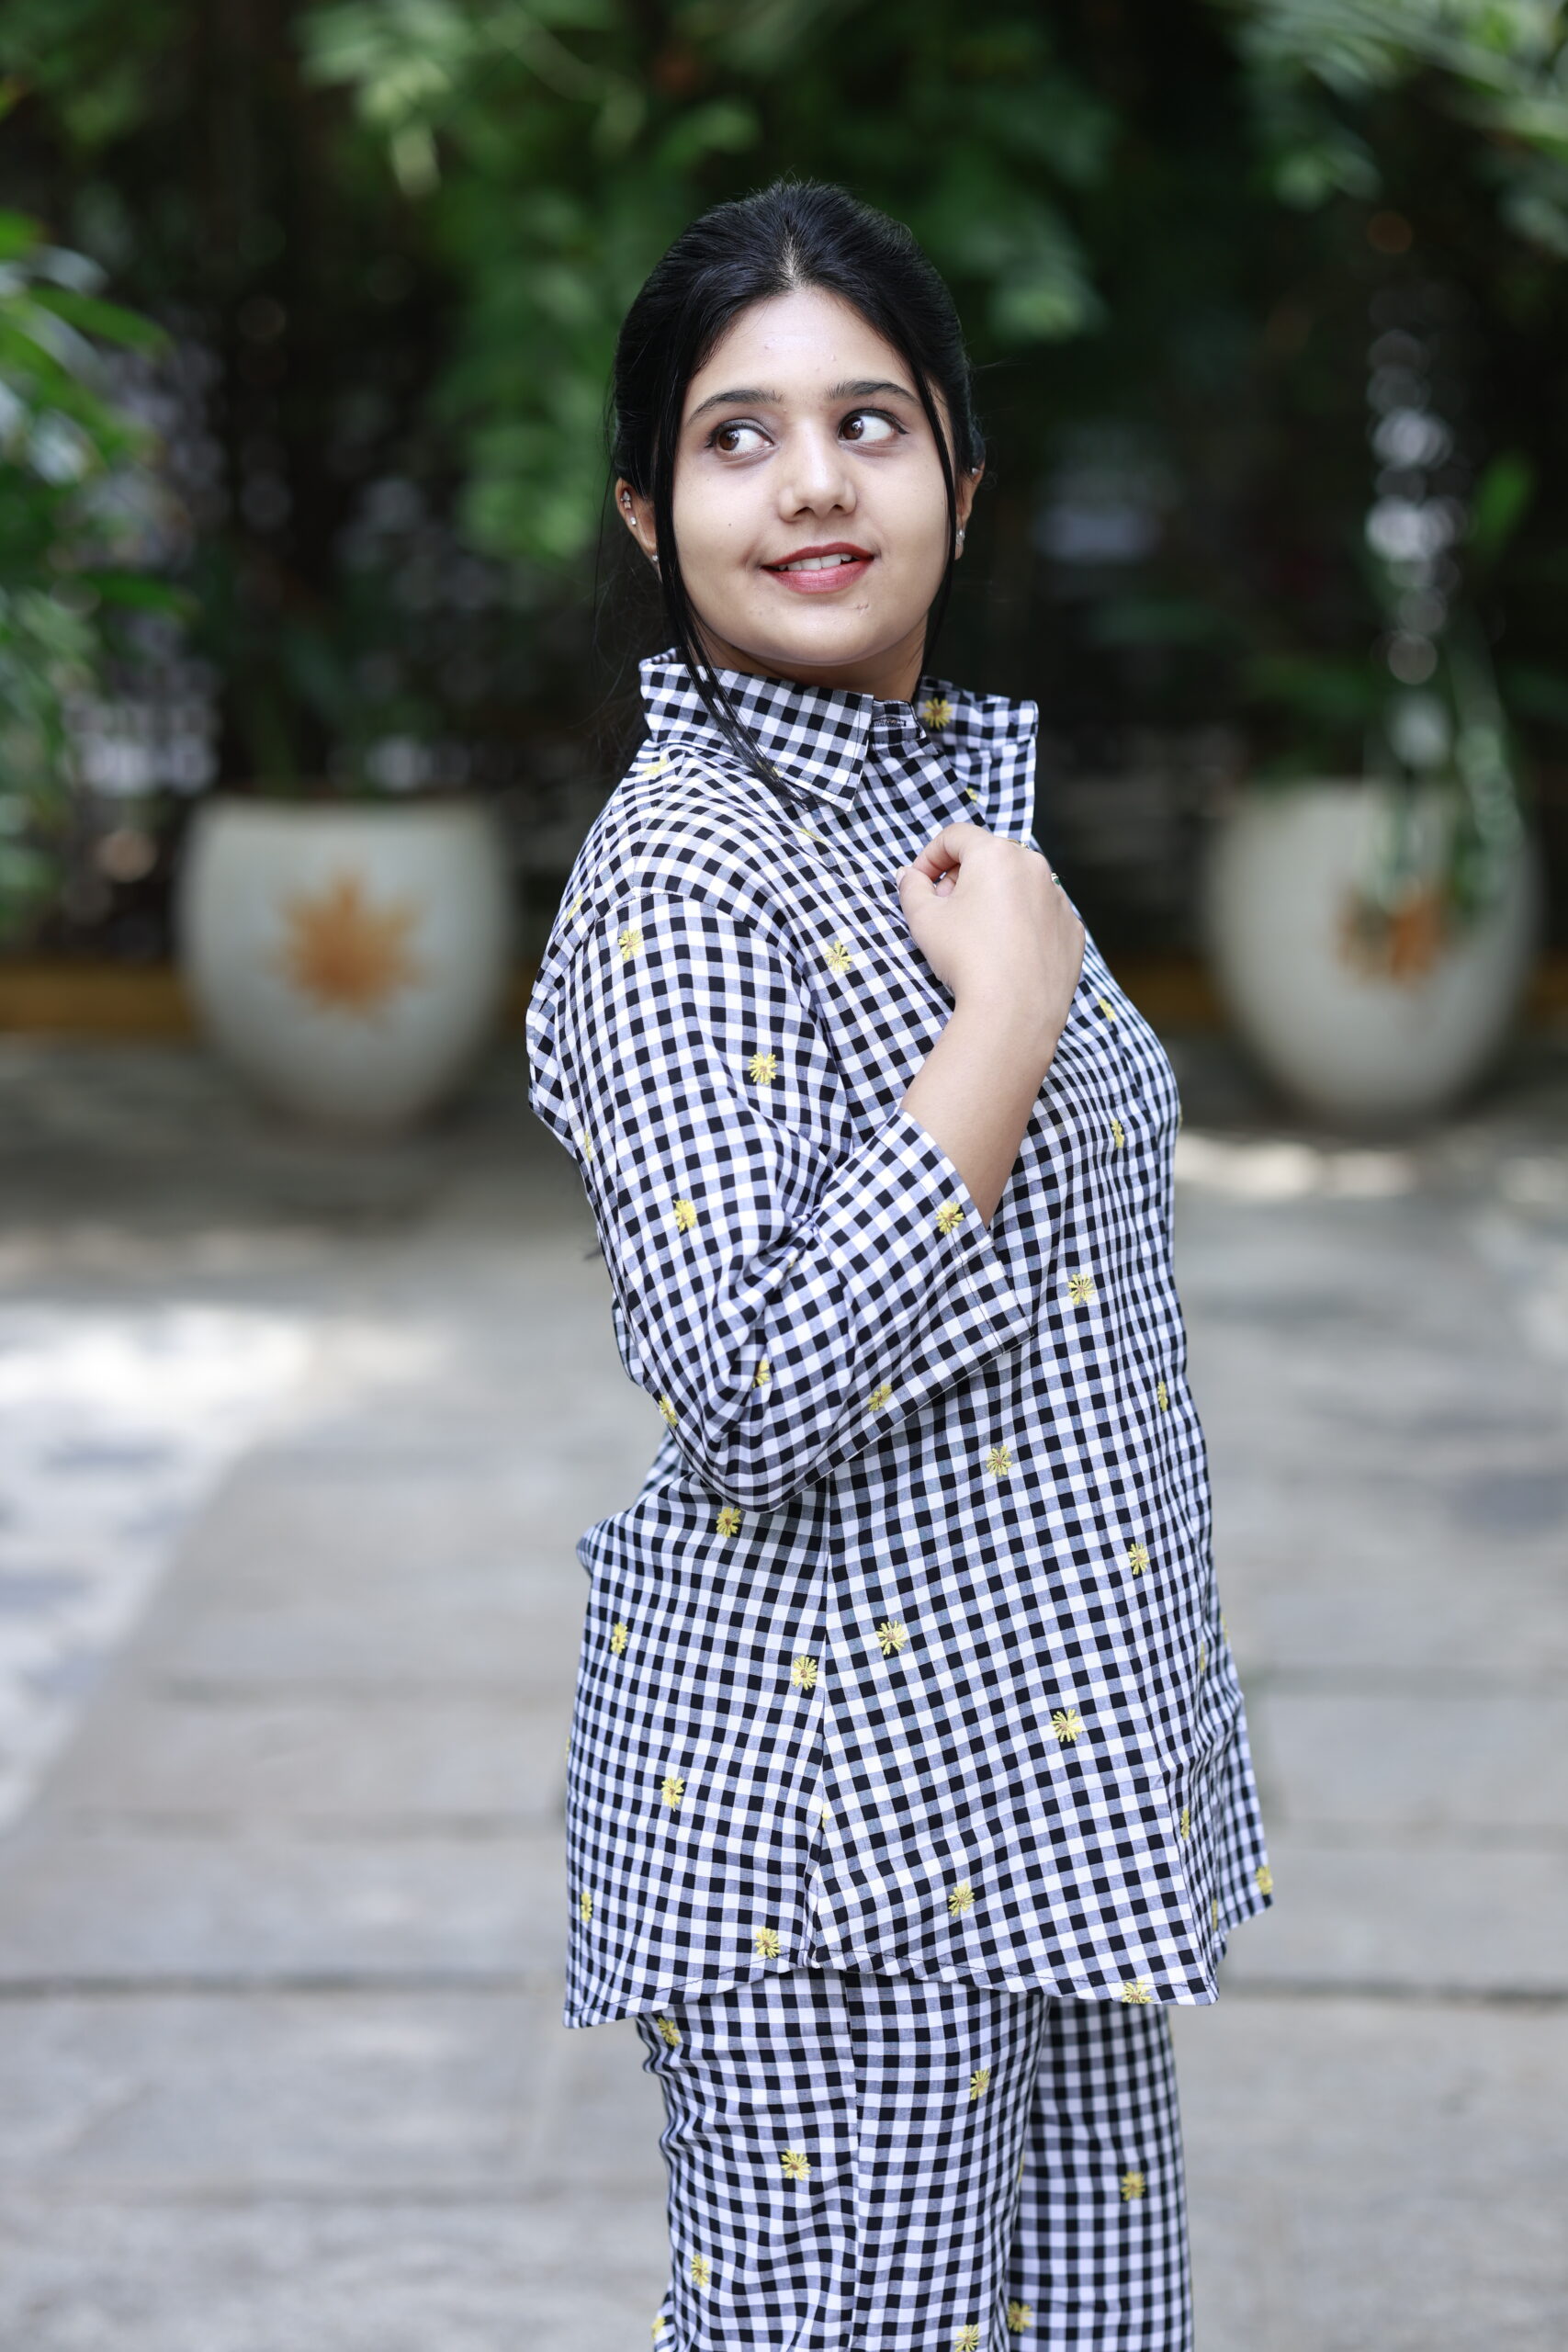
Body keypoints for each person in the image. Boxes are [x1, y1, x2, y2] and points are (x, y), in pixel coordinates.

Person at [525, 176, 1270, 2352]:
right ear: (648, 513)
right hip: (837, 1863)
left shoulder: (937, 823)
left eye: (867, 421)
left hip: (1035, 1801)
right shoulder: (685, 878)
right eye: (734, 437)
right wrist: (1005, 1024)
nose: (812, 484)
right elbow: (746, 1378)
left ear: (960, 469)